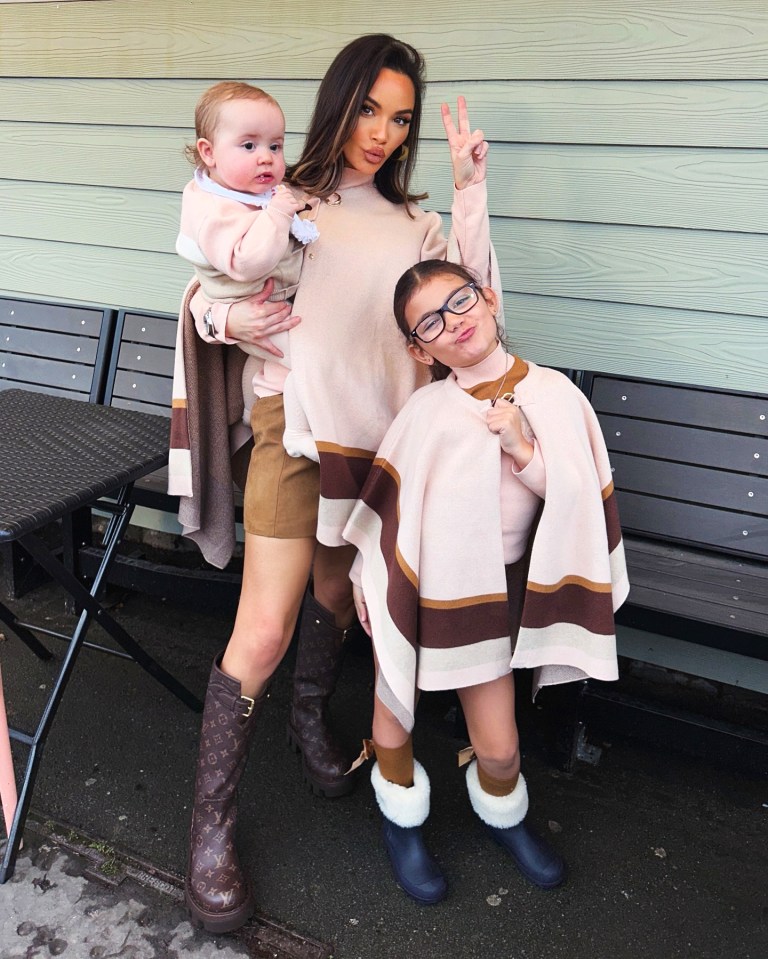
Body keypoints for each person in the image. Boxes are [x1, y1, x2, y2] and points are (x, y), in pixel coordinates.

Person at [178, 35, 499, 933]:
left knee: (331, 593)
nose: (384, 133)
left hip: (379, 445)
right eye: (370, 109)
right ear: (338, 102)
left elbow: (475, 303)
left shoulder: (415, 227)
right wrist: (220, 310)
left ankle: (311, 720)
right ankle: (208, 832)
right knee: (265, 626)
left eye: (400, 119)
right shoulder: (289, 197)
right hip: (297, 431)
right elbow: (207, 282)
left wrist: (470, 191)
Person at [343, 259, 630, 904]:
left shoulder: (555, 395)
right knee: (395, 709)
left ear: (490, 298)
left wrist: (522, 447)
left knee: (500, 752)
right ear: (422, 348)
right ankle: (401, 821)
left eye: (462, 300)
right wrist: (368, 577)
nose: (456, 321)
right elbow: (389, 510)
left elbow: (577, 504)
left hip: (497, 596)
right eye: (432, 322)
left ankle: (504, 813)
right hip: (422, 588)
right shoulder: (427, 411)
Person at [175, 80, 317, 455]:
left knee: (260, 370)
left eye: (276, 145)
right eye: (249, 145)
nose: (266, 157)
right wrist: (280, 213)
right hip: (256, 303)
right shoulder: (215, 210)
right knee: (308, 362)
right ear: (209, 152)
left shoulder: (245, 192)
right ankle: (299, 432)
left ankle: (250, 423)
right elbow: (250, 261)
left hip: (262, 315)